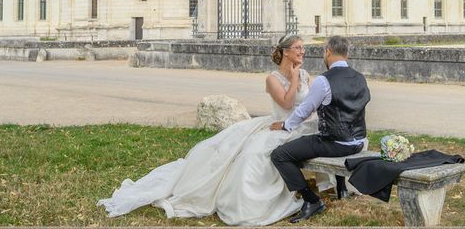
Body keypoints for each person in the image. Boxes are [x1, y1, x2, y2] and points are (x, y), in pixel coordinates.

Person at [98, 34, 319, 226]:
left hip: (299, 126)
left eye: (303, 48)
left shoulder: (306, 75)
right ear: (286, 53)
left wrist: (303, 112)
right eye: (298, 48)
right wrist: (292, 79)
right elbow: (288, 104)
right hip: (277, 125)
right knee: (250, 155)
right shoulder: (273, 79)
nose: (303, 52)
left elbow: (309, 106)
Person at [270, 35, 371, 223]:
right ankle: (341, 189)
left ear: (328, 52)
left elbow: (305, 109)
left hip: (335, 143)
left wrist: (286, 125)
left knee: (280, 155)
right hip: (358, 142)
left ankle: (312, 200)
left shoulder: (324, 81)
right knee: (318, 134)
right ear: (347, 54)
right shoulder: (360, 78)